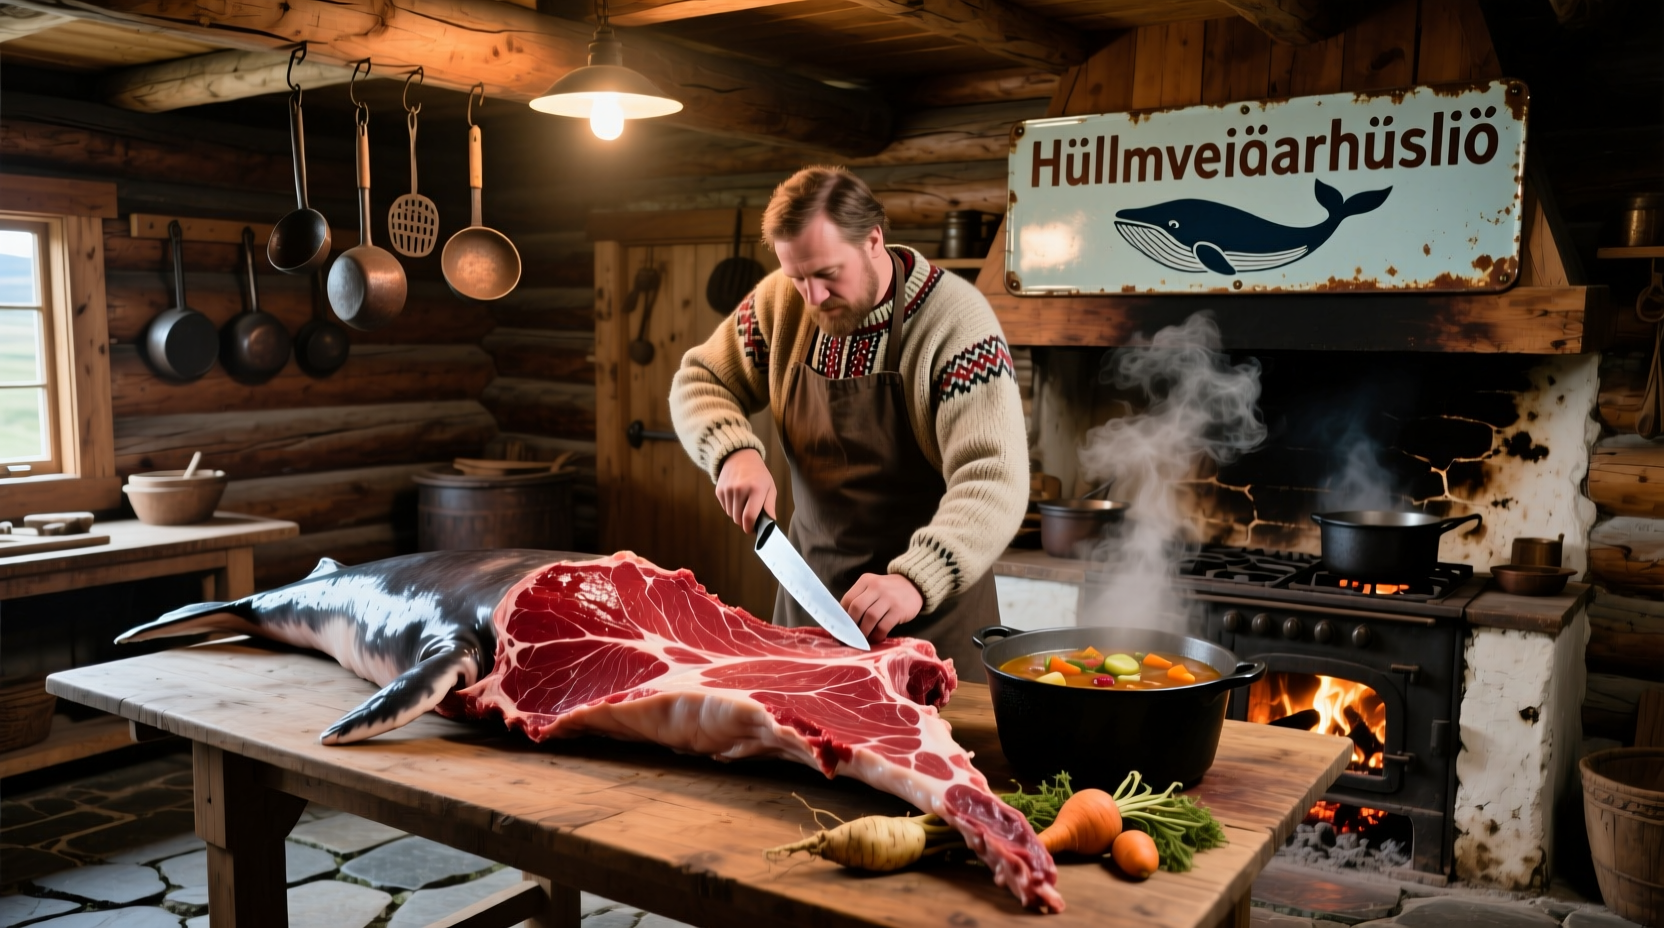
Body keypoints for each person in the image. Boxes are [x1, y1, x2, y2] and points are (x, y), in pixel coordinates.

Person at [668, 166, 1028, 681]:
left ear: (873, 240)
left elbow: (994, 478)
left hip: (930, 622)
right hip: (811, 612)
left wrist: (913, 581)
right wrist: (732, 450)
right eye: (798, 277)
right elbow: (699, 379)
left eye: (827, 275)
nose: (811, 297)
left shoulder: (957, 323)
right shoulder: (781, 303)